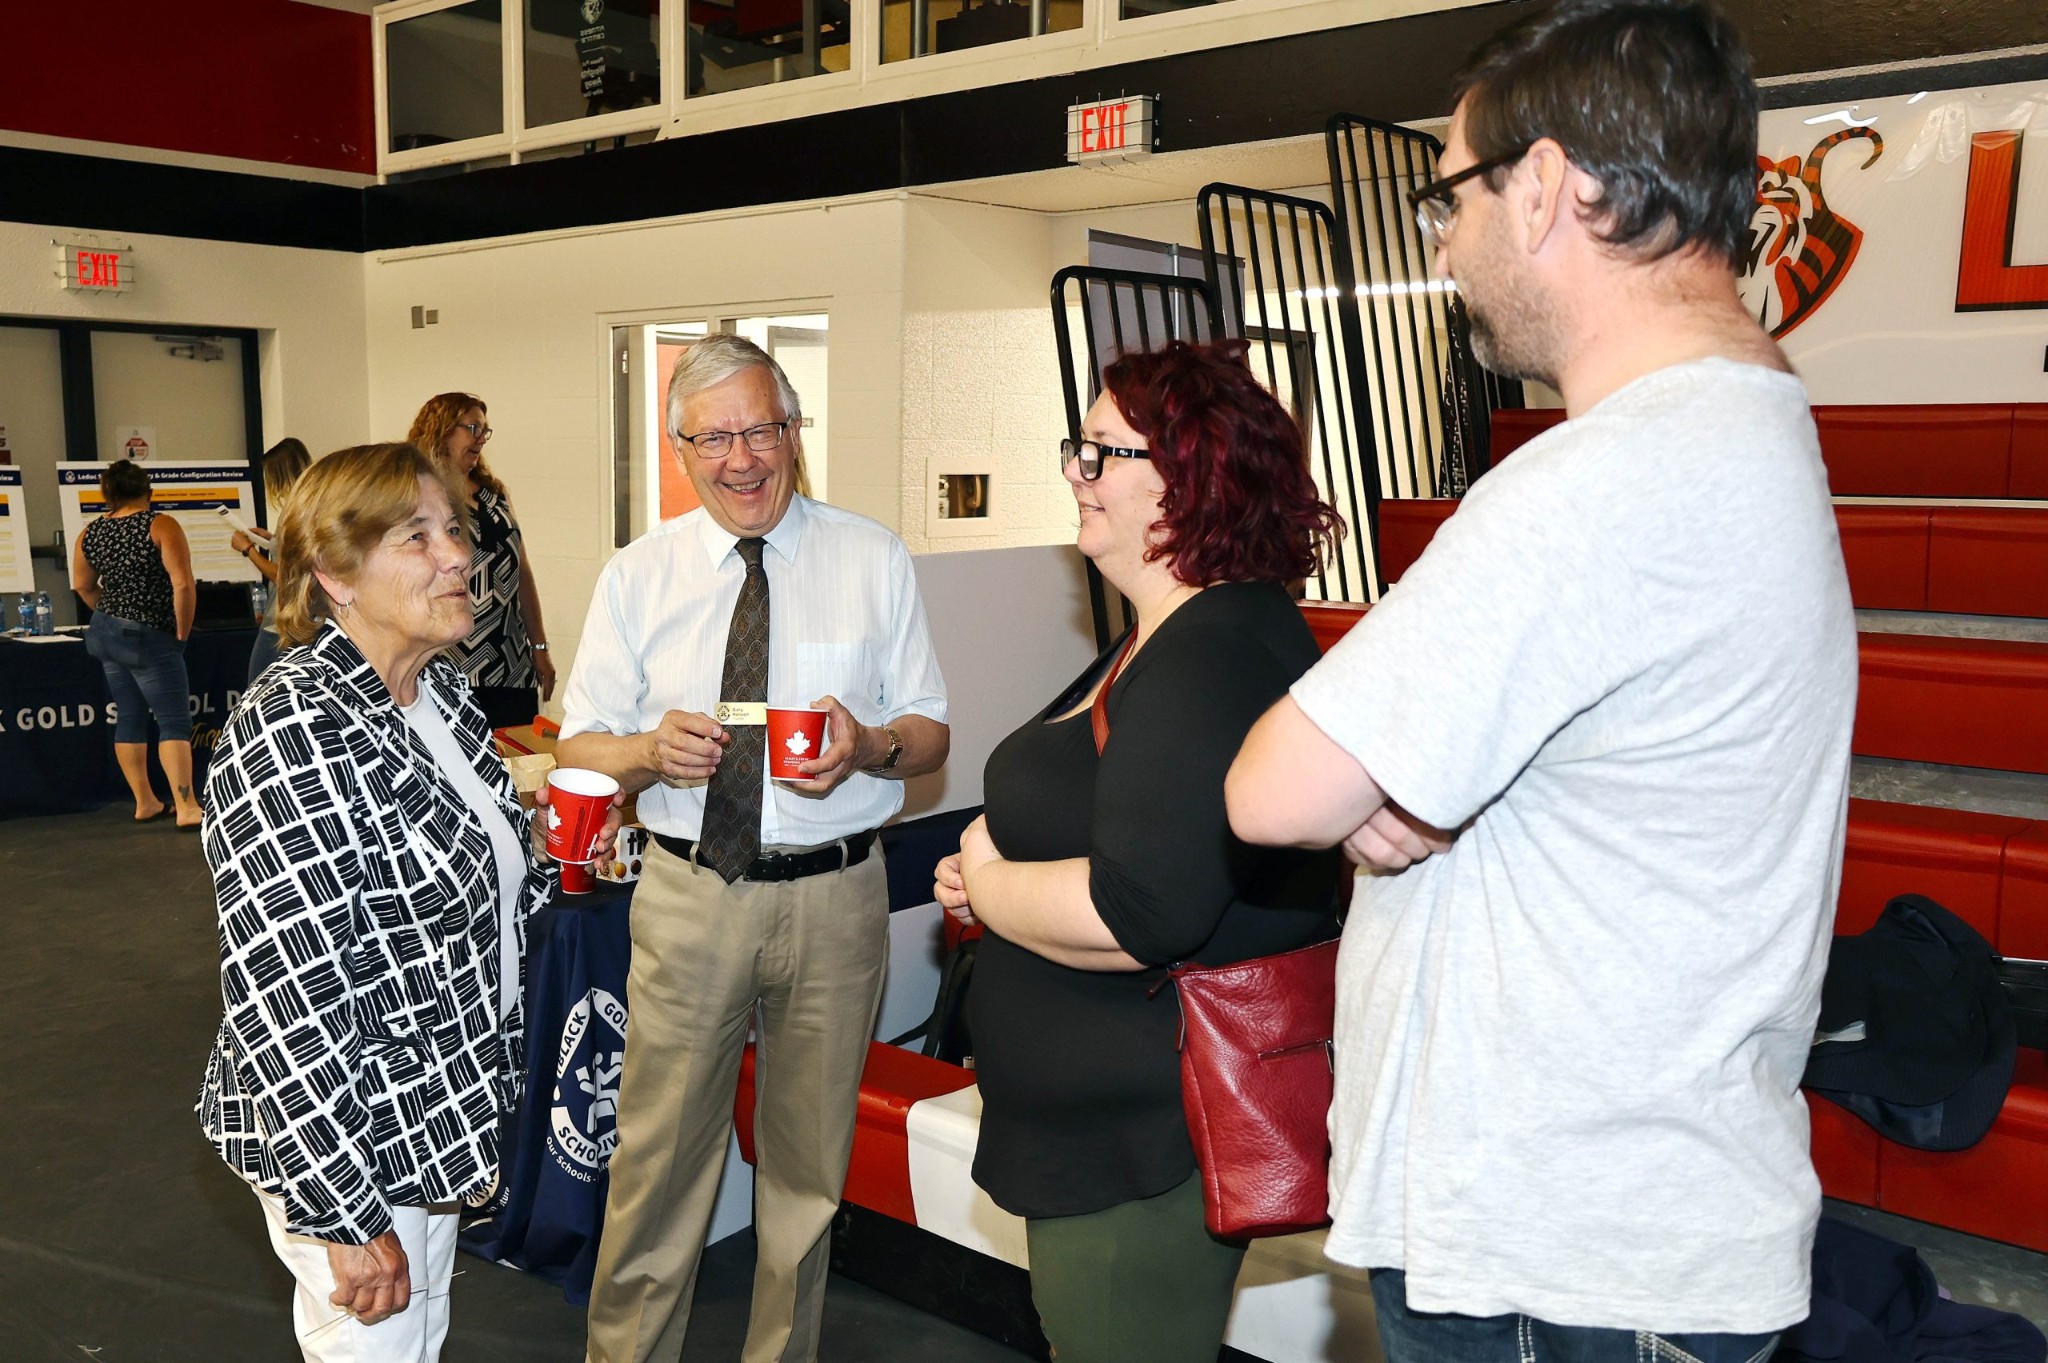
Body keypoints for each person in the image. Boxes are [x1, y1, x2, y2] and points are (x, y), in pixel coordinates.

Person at [1224, 2, 1858, 1359]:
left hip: (1556, 1257)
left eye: (1451, 194)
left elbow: (1270, 787)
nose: (1444, 243)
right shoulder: (1744, 427)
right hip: (1625, 1233)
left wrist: (1394, 788)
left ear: (1552, 187)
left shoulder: (1601, 478)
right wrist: (1420, 786)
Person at [931, 339, 1346, 1363]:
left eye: (1101, 451)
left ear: (1191, 477)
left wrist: (986, 879)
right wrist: (998, 870)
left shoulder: (1207, 648)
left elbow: (1138, 913)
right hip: (1105, 1139)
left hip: (1142, 1150)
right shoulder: (1167, 634)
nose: (1075, 472)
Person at [559, 333, 949, 1363]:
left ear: (793, 433)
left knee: (808, 1178)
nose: (743, 457)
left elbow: (931, 731)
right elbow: (579, 744)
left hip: (836, 899)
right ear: (681, 449)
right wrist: (645, 751)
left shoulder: (871, 557)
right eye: (715, 436)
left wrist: (868, 744)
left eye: (762, 429)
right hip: (689, 898)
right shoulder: (639, 575)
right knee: (657, 1169)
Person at [195, 443, 616, 1362]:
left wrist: (549, 854)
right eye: (416, 536)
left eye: (455, 530)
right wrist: (339, 1208)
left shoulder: (441, 694)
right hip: (347, 1133)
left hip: (431, 1115)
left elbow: (467, 884)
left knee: (415, 1341)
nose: (457, 555)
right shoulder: (294, 726)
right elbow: (286, 994)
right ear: (334, 577)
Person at [408, 392, 554, 730]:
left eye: (485, 431)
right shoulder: (422, 496)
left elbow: (522, 571)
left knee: (517, 759)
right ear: (442, 429)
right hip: (448, 659)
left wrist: (539, 646)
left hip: (510, 662)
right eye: (472, 428)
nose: (480, 438)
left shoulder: (494, 493)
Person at [72, 458, 201, 827]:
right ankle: (187, 806)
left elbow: (82, 585)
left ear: (107, 494)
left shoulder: (90, 532)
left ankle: (145, 801)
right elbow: (182, 584)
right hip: (150, 635)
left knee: (128, 717)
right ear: (149, 491)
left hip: (106, 632)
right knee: (173, 720)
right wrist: (182, 631)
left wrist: (112, 614)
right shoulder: (161, 524)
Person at [229, 436, 312, 684]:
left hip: (281, 621)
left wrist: (249, 551)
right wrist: (271, 539)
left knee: (258, 688)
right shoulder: (310, 507)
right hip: (301, 617)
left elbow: (284, 577)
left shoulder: (295, 513)